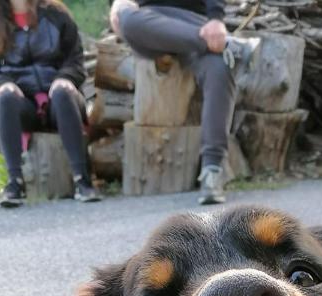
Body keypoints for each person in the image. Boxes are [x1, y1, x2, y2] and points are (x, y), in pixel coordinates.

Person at [109, 0, 259, 204]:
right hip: (152, 25)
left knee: (220, 66)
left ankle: (212, 170)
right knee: (128, 19)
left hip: (193, 24)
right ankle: (231, 45)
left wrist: (216, 19)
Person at [0, 0, 100, 207]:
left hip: (60, 100)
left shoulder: (55, 15)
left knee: (62, 92)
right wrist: (2, 84)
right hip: (25, 104)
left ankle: (82, 180)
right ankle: (14, 183)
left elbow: (75, 59)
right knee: (4, 97)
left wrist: (65, 78)